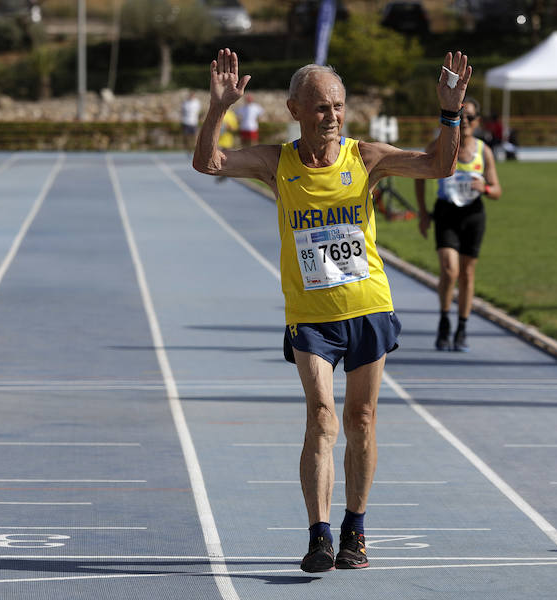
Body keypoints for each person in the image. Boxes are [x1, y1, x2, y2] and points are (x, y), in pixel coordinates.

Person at [193, 48, 471, 573]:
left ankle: (355, 531)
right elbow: (209, 163)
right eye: (322, 107)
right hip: (311, 314)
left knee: (360, 418)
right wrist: (218, 110)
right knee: (321, 416)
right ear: (295, 109)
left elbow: (439, 165)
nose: (333, 116)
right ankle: (319, 535)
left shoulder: (364, 157)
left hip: (368, 304)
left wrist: (450, 112)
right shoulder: (279, 162)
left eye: (339, 106)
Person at [414, 97, 502, 352]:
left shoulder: (483, 151)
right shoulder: (439, 145)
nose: (464, 122)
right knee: (449, 269)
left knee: (467, 274)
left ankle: (461, 328)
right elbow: (418, 174)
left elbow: (497, 190)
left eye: (470, 117)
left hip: (473, 214)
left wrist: (484, 187)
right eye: (460, 116)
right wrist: (422, 212)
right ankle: (444, 320)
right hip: (446, 213)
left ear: (477, 122)